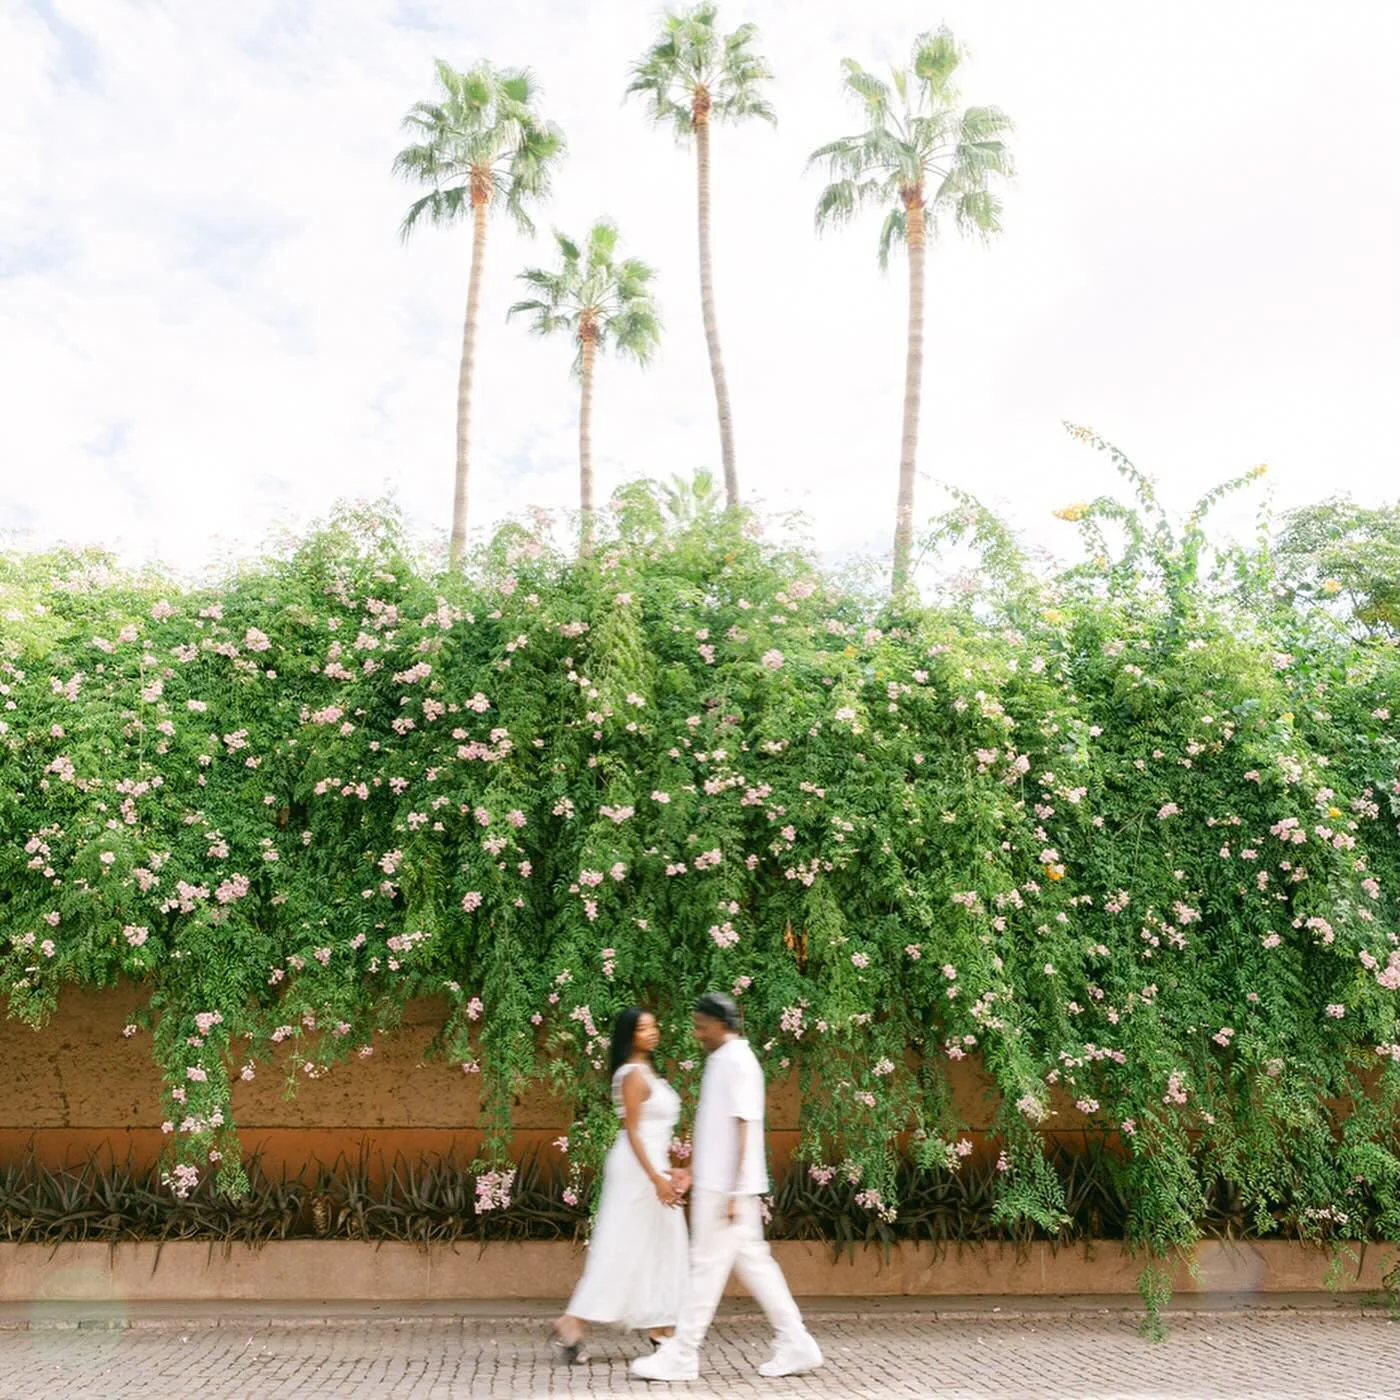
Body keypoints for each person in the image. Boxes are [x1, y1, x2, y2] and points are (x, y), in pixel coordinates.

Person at [631, 992, 823, 1382]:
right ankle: (796, 1341)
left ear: (722, 1025)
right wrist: (691, 1171)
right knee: (754, 1265)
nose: (698, 1033)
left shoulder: (737, 1061)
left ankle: (682, 1354)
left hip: (727, 1191)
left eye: (703, 1027)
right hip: (721, 1186)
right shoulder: (723, 1060)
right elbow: (715, 1127)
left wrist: (734, 1192)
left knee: (705, 1269)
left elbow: (744, 1126)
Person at [551, 1006, 691, 1364]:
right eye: (644, 1029)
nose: (653, 1032)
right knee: (625, 1246)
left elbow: (654, 1133)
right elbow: (632, 1132)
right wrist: (656, 1177)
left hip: (651, 1165)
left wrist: (668, 1170)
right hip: (635, 1169)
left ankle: (660, 1327)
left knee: (661, 1243)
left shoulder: (648, 1072)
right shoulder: (631, 1075)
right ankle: (573, 1321)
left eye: (654, 1025)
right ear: (629, 1035)